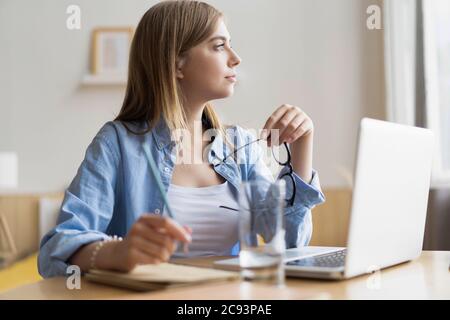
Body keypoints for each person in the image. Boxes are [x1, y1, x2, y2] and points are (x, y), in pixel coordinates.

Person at [38, 0, 325, 278]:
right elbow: (56, 250)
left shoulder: (239, 146)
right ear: (177, 64)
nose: (235, 58)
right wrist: (118, 252)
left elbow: (290, 242)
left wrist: (302, 148)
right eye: (219, 45)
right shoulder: (117, 144)